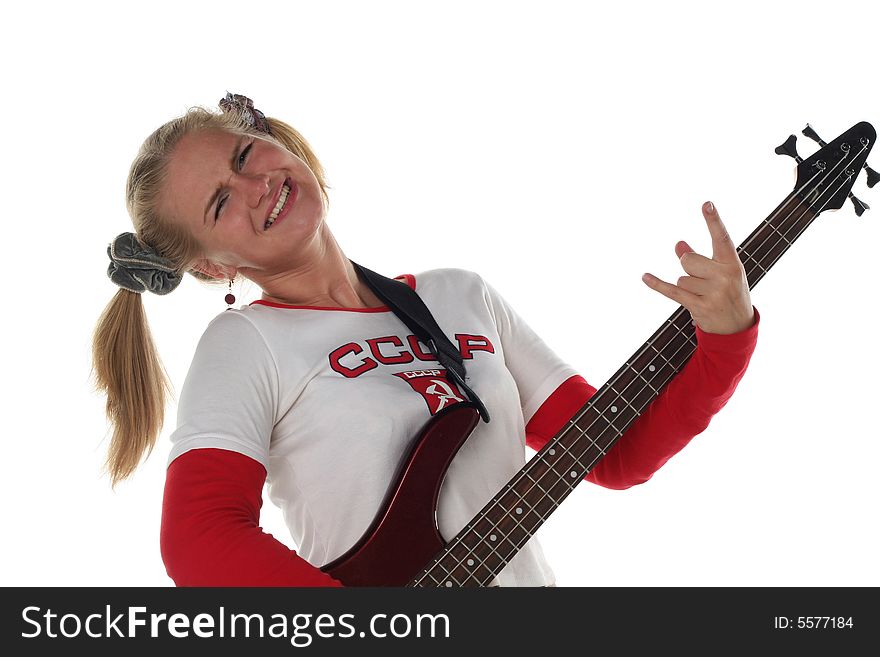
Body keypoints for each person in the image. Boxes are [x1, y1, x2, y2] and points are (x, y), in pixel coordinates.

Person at [91, 93, 760, 587]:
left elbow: (617, 453)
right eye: (219, 202)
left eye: (244, 155)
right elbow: (199, 538)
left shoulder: (458, 296)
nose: (256, 185)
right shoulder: (245, 343)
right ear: (210, 265)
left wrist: (724, 339)